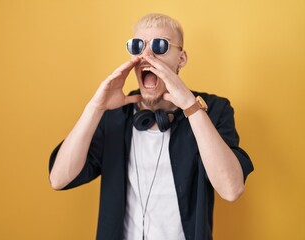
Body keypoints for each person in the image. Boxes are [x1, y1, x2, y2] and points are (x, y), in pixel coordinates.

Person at [48, 13, 253, 240]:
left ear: (181, 59)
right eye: (138, 47)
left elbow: (231, 189)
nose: (146, 55)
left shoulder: (213, 110)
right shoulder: (115, 115)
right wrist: (96, 107)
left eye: (159, 46)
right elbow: (58, 179)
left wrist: (191, 107)